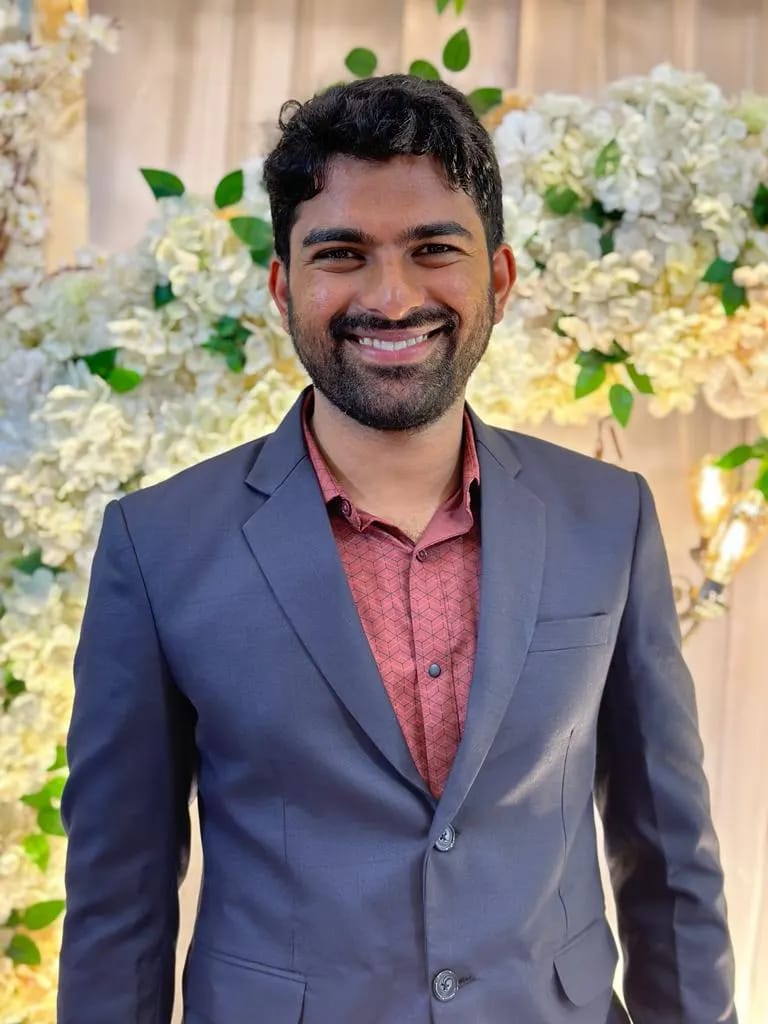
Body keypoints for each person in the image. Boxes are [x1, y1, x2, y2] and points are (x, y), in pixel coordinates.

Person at [58, 75, 737, 1024]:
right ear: (283, 283)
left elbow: (669, 855)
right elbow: (116, 906)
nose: (391, 295)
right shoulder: (157, 546)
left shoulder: (607, 516)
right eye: (342, 252)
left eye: (433, 250)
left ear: (498, 278)